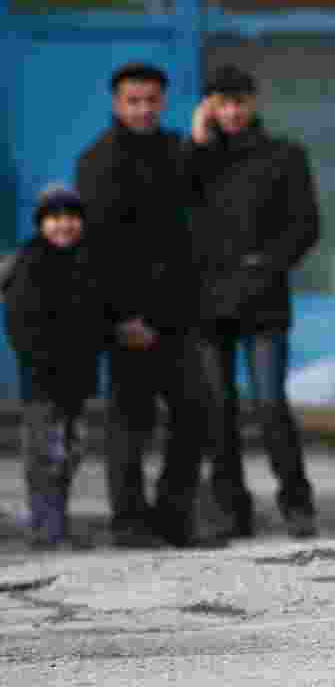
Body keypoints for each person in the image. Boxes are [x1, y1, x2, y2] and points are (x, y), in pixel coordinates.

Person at [186, 64, 320, 540]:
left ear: (253, 102)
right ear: (209, 107)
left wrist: (265, 265)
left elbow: (306, 226)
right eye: (222, 103)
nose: (232, 112)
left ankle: (297, 503)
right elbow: (175, 210)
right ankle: (230, 509)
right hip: (207, 305)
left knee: (268, 404)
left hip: (263, 302)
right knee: (217, 408)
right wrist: (198, 142)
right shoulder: (195, 160)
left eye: (239, 101)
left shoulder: (284, 156)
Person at [76, 63, 204, 548]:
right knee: (131, 423)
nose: (143, 108)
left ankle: (173, 518)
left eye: (151, 99)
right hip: (129, 317)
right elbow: (100, 250)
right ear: (117, 103)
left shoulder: (174, 150)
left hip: (179, 313)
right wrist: (122, 316)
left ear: (163, 101)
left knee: (193, 415)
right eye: (134, 100)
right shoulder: (99, 161)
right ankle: (129, 522)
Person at [2, 187, 112, 550]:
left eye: (71, 216)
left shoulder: (88, 260)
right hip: (42, 382)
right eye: (54, 217)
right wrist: (43, 361)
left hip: (76, 381)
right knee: (44, 455)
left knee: (69, 453)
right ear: (41, 224)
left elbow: (96, 316)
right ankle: (46, 529)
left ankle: (57, 523)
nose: (63, 224)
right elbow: (21, 327)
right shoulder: (30, 263)